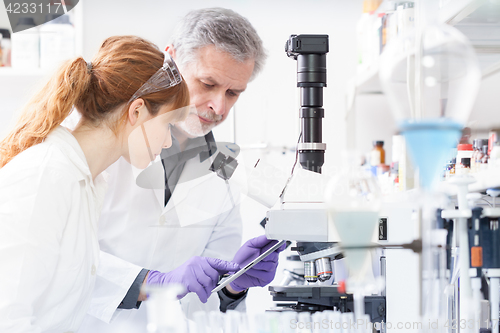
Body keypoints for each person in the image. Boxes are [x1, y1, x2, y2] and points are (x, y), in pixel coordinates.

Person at [0, 35, 242, 332]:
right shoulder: (44, 176)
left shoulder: (86, 183)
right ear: (137, 111)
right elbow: (8, 315)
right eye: (166, 125)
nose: (168, 141)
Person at [78, 7, 282, 333]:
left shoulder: (224, 175)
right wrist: (150, 282)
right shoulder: (107, 144)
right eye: (207, 83)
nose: (219, 106)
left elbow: (207, 301)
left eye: (233, 93)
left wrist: (234, 284)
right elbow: (64, 259)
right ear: (170, 60)